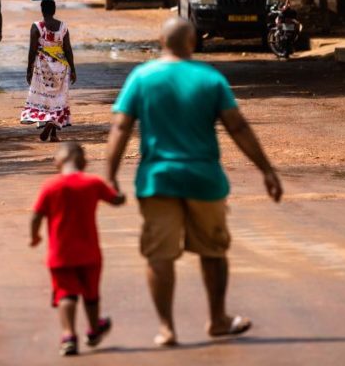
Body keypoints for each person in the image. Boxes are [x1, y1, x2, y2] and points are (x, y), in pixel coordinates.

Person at [105, 17, 283, 346]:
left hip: (158, 180)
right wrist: (267, 170)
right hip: (204, 180)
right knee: (213, 251)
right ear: (192, 42)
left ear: (161, 41)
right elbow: (237, 127)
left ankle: (166, 328)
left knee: (159, 254)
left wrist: (110, 175)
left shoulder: (141, 77)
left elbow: (120, 127)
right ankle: (217, 319)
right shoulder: (210, 78)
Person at [30, 142, 126, 356]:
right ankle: (94, 329)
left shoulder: (50, 186)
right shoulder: (93, 183)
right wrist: (116, 187)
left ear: (57, 162)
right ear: (84, 163)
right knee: (91, 294)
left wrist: (35, 236)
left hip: (60, 254)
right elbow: (117, 200)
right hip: (90, 253)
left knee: (66, 294)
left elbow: (36, 216)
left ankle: (68, 336)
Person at [21, 0, 76, 142]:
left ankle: (49, 124)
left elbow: (32, 50)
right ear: (54, 10)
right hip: (60, 68)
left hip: (43, 67)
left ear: (42, 10)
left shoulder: (37, 27)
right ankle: (53, 133)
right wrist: (73, 69)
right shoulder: (63, 27)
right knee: (58, 99)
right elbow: (68, 49)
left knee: (45, 98)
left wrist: (29, 69)